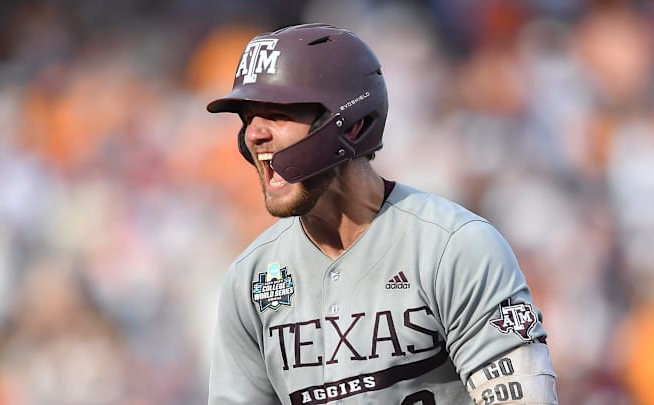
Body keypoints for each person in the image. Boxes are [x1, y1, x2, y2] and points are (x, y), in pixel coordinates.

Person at [206, 23, 558, 405]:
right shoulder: (250, 279)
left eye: (277, 113)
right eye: (248, 118)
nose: (254, 134)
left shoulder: (454, 247)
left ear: (353, 124)